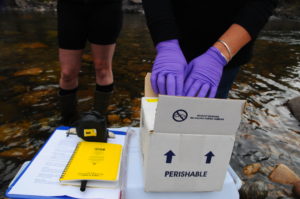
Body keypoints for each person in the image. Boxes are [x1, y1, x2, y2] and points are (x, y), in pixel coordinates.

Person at [142, 0, 278, 98]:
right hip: (173, 43)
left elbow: (262, 3)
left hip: (226, 54)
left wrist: (220, 54)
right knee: (160, 116)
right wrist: (166, 43)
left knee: (206, 120)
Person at [57, 0, 123, 125]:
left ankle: (98, 122)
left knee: (102, 69)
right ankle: (68, 122)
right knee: (67, 73)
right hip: (70, 6)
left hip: (107, 6)